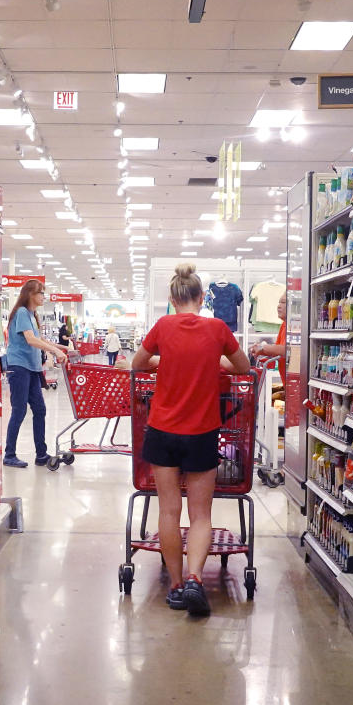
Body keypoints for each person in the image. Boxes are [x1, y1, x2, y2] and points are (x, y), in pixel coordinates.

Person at [130, 263, 251, 616]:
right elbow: (242, 367)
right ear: (202, 298)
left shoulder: (162, 326)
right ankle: (197, 578)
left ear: (172, 298)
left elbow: (138, 364)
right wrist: (216, 365)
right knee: (200, 514)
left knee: (169, 510)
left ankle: (177, 585)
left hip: (163, 430)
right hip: (202, 432)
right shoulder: (217, 329)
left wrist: (162, 362)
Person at [5, 280, 67, 468]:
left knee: (40, 409)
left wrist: (59, 346)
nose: (43, 297)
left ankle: (41, 454)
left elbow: (38, 339)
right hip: (19, 366)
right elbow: (31, 340)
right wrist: (55, 351)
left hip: (32, 368)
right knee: (19, 410)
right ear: (30, 294)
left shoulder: (32, 315)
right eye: (40, 293)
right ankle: (9, 455)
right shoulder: (22, 312)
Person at [249, 292, 288, 385]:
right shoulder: (284, 325)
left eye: (283, 302)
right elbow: (280, 349)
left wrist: (263, 348)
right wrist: (262, 350)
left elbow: (287, 349)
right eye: (279, 302)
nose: (279, 306)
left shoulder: (294, 327)